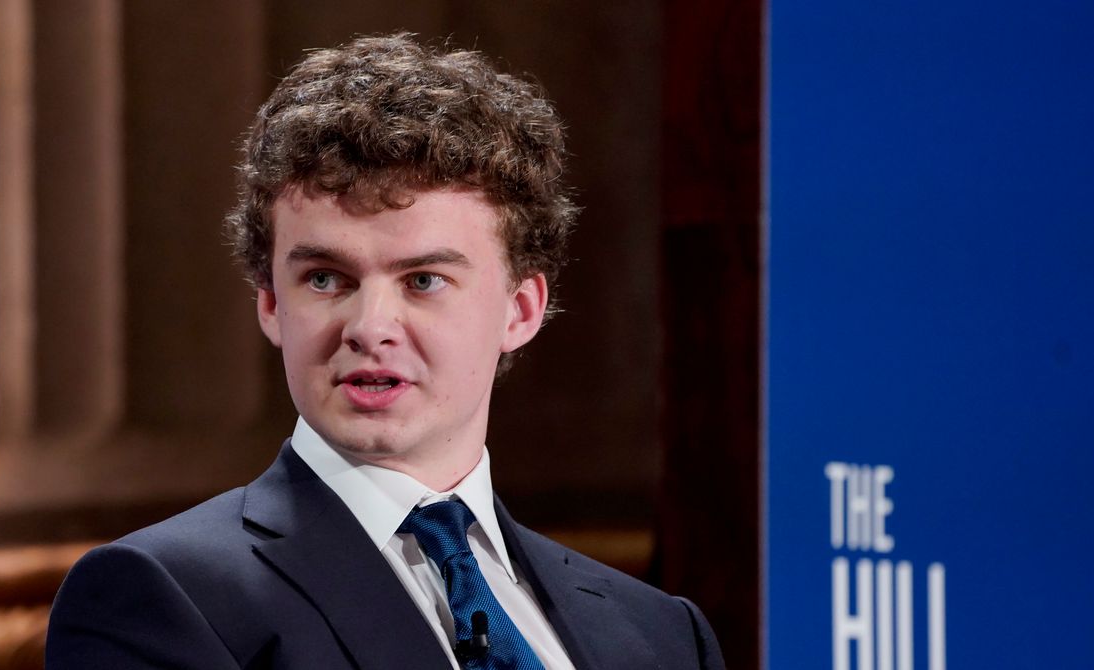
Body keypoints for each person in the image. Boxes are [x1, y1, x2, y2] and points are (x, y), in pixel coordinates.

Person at [46, 34, 725, 669]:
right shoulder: (160, 596)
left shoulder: (662, 634)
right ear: (271, 305)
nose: (370, 327)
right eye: (325, 279)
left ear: (521, 310)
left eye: (423, 280)